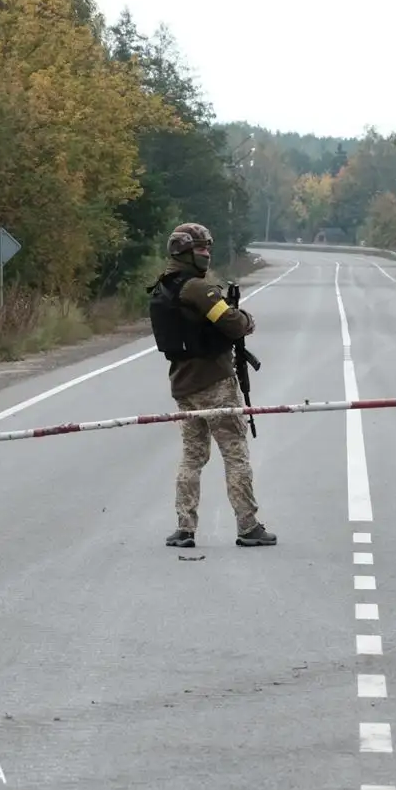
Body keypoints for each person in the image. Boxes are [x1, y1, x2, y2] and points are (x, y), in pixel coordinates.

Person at [146, 222, 276, 549]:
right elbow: (231, 322)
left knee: (192, 457)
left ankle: (184, 527)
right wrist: (245, 318)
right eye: (203, 248)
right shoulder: (197, 289)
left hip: (184, 386)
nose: (207, 254)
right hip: (215, 383)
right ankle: (248, 526)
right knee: (235, 454)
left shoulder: (163, 287)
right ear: (187, 252)